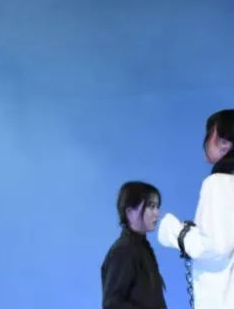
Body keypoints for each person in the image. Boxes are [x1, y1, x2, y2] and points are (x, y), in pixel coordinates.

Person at [158, 109, 234, 309]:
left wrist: (175, 232)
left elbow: (215, 245)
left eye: (209, 133)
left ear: (224, 143)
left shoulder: (219, 183)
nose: (205, 140)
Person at [100, 181, 166, 309]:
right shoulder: (123, 251)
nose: (157, 213)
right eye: (151, 206)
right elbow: (112, 304)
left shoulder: (143, 248)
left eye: (157, 206)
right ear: (130, 212)